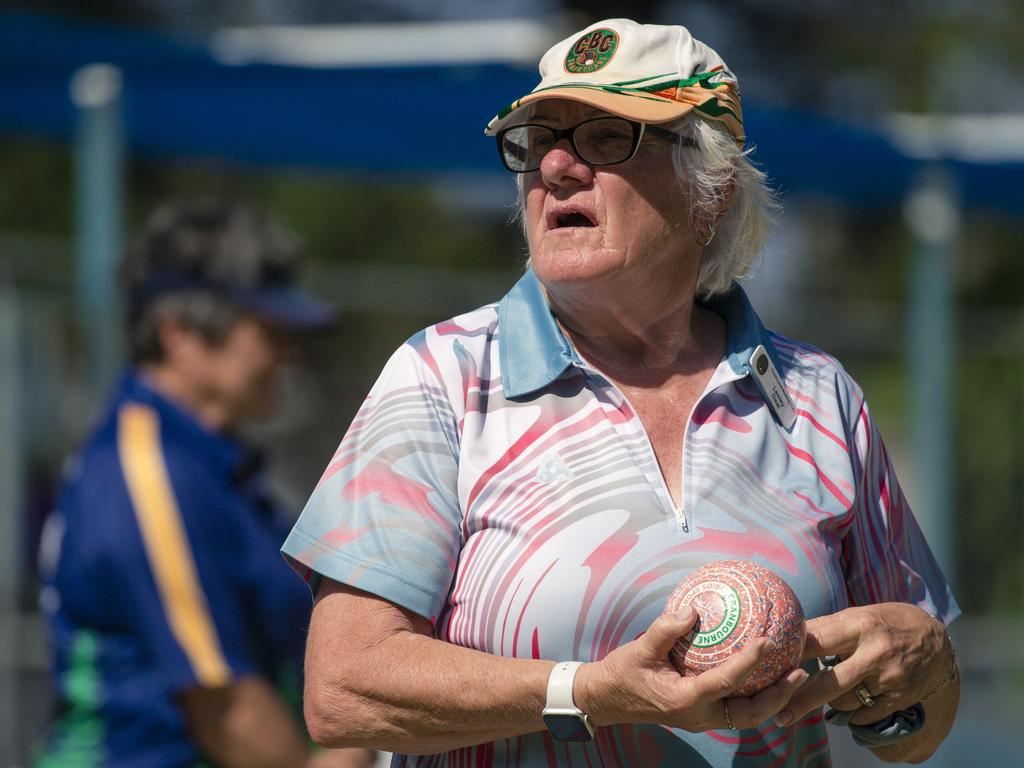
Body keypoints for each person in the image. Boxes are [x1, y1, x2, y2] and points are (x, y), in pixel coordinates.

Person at [282, 19, 959, 767]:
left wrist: (922, 666)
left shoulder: (819, 398)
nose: (558, 168)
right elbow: (343, 690)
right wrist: (591, 694)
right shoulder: (443, 377)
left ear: (713, 190)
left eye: (609, 137)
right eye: (538, 141)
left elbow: (921, 726)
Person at [37, 201, 375, 768]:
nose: (287, 354)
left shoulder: (206, 463)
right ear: (180, 334)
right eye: (268, 330)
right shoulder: (146, 471)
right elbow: (223, 704)